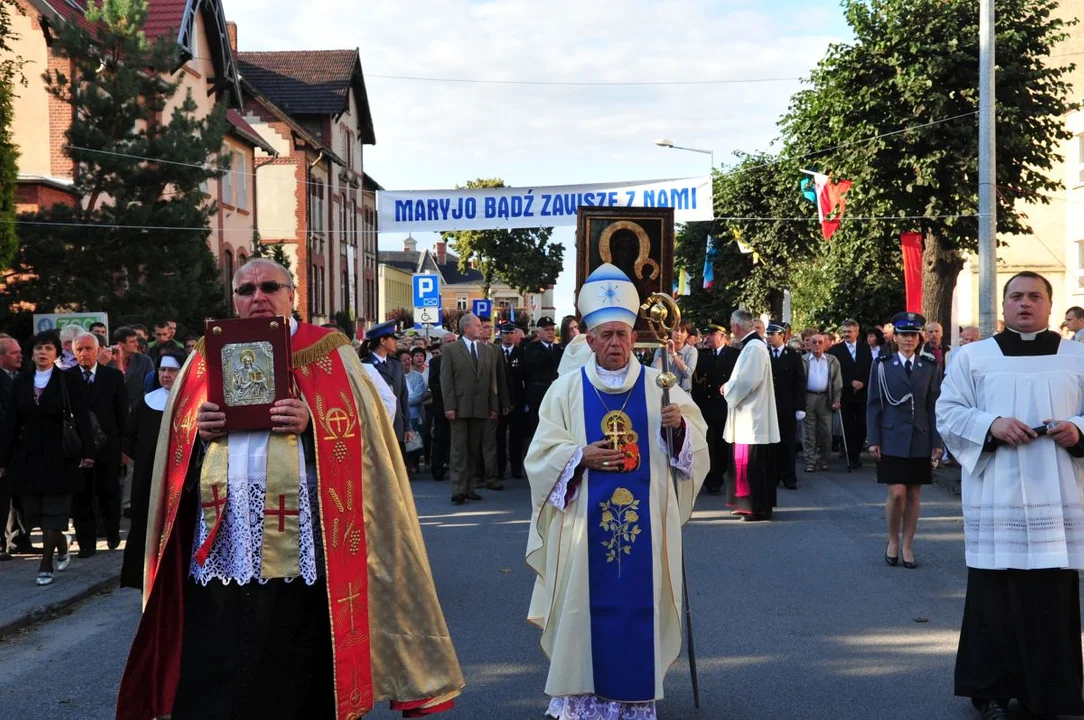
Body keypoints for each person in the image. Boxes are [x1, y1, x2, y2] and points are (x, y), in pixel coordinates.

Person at [117, 258, 463, 719]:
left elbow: (373, 429)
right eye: (245, 290)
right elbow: (174, 448)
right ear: (233, 299)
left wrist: (312, 423)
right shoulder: (204, 355)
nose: (257, 296)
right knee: (217, 657)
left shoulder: (329, 350)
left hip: (305, 538)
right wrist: (197, 430)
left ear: (292, 294)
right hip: (223, 536)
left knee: (294, 661)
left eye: (269, 286)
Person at [525, 263, 708, 720]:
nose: (615, 343)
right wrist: (577, 456)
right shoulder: (565, 391)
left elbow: (696, 449)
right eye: (605, 335)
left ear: (634, 337)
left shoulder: (659, 387)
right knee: (583, 611)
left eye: (622, 335)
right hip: (583, 531)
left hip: (646, 528)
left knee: (637, 609)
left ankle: (634, 699)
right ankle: (581, 700)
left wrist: (679, 428)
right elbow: (540, 455)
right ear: (588, 340)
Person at [936, 271, 1084, 720]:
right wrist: (991, 425)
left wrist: (1078, 429)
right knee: (995, 595)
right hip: (996, 494)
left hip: (1056, 494)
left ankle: (1054, 693)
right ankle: (993, 692)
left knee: (1052, 593)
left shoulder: (1077, 356)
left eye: (1034, 297)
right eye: (1016, 296)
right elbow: (948, 411)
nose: (1025, 304)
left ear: (1049, 305)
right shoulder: (971, 357)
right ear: (1003, 306)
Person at [0, 330, 94, 586]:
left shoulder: (67, 381)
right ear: (32, 353)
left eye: (48, 348)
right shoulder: (21, 382)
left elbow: (82, 417)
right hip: (29, 457)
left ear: (56, 354)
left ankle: (46, 564)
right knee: (36, 516)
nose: (42, 352)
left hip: (61, 456)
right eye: (38, 348)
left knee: (55, 513)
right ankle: (62, 545)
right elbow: (11, 421)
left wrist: (88, 452)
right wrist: (3, 459)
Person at [867, 313, 941, 570]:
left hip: (920, 436)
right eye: (903, 335)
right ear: (895, 338)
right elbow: (874, 404)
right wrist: (873, 439)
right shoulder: (882, 365)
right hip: (891, 436)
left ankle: (908, 544)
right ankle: (892, 540)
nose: (909, 340)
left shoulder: (929, 366)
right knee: (896, 492)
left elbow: (933, 405)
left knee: (914, 493)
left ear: (919, 338)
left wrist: (937, 440)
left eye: (913, 335)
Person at [120, 350, 183, 589]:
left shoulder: (189, 402)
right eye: (162, 370)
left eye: (172, 370)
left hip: (179, 474)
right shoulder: (145, 403)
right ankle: (144, 575)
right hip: (148, 476)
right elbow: (130, 438)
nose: (166, 375)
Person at [68, 331, 128, 556]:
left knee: (108, 492)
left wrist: (123, 448)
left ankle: (112, 533)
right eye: (79, 349)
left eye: (88, 348)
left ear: (98, 350)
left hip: (108, 446)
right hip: (79, 448)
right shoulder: (66, 378)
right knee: (81, 496)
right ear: (74, 353)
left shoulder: (112, 377)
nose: (84, 353)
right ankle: (86, 543)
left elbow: (122, 414)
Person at [722, 310, 779, 520]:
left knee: (751, 463)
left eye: (730, 325)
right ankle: (745, 504)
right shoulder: (751, 346)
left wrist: (728, 389)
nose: (730, 329)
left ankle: (757, 507)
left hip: (752, 416)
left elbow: (748, 381)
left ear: (736, 326)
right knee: (743, 461)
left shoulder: (754, 347)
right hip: (748, 413)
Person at [441, 313, 499, 504]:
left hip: (480, 407)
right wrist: (449, 406)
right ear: (466, 328)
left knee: (473, 449)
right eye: (477, 325)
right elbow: (446, 380)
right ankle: (458, 488)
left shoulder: (486, 350)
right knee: (459, 449)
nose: (481, 328)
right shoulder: (451, 350)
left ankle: (470, 487)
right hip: (459, 406)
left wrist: (493, 405)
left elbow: (492, 381)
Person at [691, 324, 739, 495]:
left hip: (724, 406)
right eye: (707, 334)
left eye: (712, 335)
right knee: (707, 442)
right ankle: (711, 477)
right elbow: (697, 384)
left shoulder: (734, 355)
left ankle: (719, 472)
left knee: (722, 443)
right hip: (706, 405)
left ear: (722, 336)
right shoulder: (702, 355)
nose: (708, 338)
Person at [828, 319, 872, 469]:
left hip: (862, 393)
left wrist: (863, 382)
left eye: (850, 332)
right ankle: (849, 455)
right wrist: (849, 382)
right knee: (847, 426)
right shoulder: (835, 350)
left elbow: (870, 368)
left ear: (857, 333)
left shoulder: (865, 348)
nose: (847, 334)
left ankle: (857, 453)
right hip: (845, 393)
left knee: (862, 425)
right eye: (845, 332)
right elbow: (835, 372)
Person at [766, 322, 806, 490]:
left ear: (782, 335)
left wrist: (800, 406)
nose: (768, 337)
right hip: (769, 405)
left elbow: (799, 382)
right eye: (767, 334)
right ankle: (773, 475)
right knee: (771, 443)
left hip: (788, 406)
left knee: (788, 443)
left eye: (772, 334)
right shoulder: (765, 353)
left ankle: (789, 476)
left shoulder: (793, 355)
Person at [361, 321, 411, 453]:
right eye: (393, 338)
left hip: (397, 426)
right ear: (383, 340)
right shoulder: (366, 365)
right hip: (379, 426)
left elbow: (403, 397)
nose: (396, 342)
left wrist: (407, 427)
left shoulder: (395, 364)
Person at [802, 334, 843, 472]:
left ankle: (823, 458)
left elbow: (837, 382)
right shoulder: (803, 360)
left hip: (825, 398)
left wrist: (837, 399)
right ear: (809, 344)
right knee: (808, 430)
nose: (817, 345)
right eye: (814, 342)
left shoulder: (832, 360)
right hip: (808, 397)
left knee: (826, 431)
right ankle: (810, 460)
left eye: (820, 342)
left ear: (826, 344)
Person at [523, 316, 562, 439]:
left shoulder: (559, 349)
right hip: (538, 397)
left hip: (556, 396)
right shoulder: (532, 348)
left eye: (552, 329)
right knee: (538, 431)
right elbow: (539, 361)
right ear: (539, 333)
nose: (550, 332)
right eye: (546, 330)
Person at [497, 323, 526, 480]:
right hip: (500, 402)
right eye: (506, 333)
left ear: (515, 335)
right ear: (501, 335)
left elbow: (525, 378)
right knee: (499, 437)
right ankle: (500, 469)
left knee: (516, 438)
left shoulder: (521, 353)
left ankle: (516, 469)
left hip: (518, 401)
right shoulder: (495, 352)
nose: (508, 336)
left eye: (511, 333)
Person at [651, 320, 698, 392]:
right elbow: (654, 372)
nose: (678, 334)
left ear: (687, 335)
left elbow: (687, 374)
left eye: (682, 331)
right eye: (676, 330)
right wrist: (663, 352)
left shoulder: (691, 351)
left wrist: (674, 354)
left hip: (683, 393)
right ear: (671, 332)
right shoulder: (661, 350)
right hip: (663, 392)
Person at [402, 348, 427, 473]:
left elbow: (418, 396)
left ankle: (414, 464)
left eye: (408, 359)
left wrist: (402, 401)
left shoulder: (417, 376)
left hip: (414, 414)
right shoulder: (395, 375)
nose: (407, 362)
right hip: (400, 415)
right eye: (404, 360)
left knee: (415, 442)